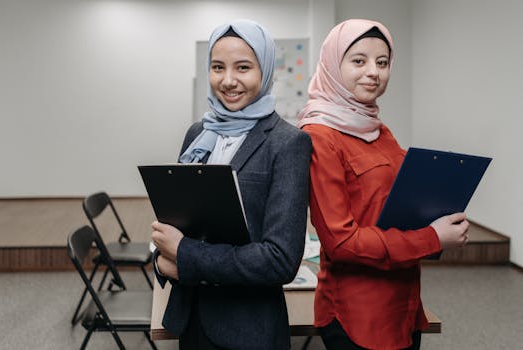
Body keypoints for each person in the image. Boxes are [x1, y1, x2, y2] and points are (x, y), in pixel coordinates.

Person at [297, 19, 470, 350]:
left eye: (382, 62)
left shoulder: (377, 129)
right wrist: (432, 238)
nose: (373, 72)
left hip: (403, 302)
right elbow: (341, 242)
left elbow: (397, 200)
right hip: (360, 313)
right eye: (358, 60)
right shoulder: (320, 136)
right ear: (333, 65)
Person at [151, 19, 312, 350]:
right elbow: (182, 223)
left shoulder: (287, 143)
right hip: (192, 318)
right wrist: (162, 260)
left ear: (265, 71)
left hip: (246, 329)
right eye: (217, 67)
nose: (228, 81)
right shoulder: (198, 134)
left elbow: (280, 259)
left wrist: (184, 255)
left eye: (243, 67)